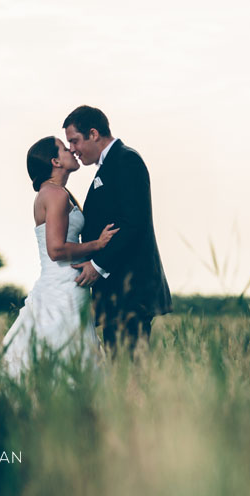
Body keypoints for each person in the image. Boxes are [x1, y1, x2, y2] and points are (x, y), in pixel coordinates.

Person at [0, 136, 118, 384]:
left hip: (64, 284)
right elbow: (56, 250)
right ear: (55, 161)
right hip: (62, 287)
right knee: (65, 353)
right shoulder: (55, 194)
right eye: (65, 149)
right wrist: (97, 244)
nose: (72, 151)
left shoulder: (56, 192)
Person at [64, 105, 172, 352]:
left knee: (129, 372)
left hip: (130, 290)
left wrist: (98, 265)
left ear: (93, 133)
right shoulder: (109, 165)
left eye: (74, 141)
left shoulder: (126, 160)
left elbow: (133, 222)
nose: (72, 149)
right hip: (117, 293)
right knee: (121, 371)